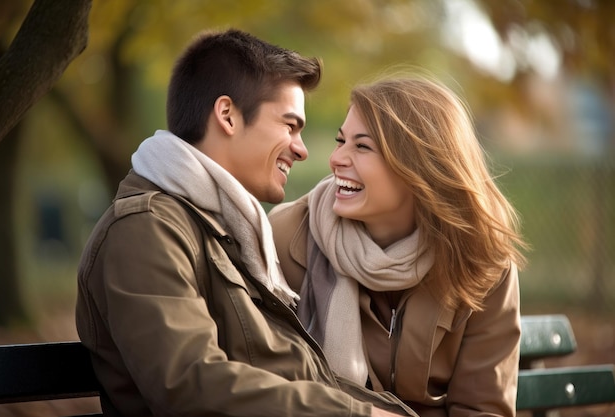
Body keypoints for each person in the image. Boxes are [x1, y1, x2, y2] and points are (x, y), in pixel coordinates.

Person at [75, 29, 416, 417]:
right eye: (290, 126)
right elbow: (190, 385)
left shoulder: (226, 230)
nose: (302, 150)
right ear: (227, 116)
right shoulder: (145, 229)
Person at [269, 75, 527, 416]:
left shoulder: (481, 261)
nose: (336, 159)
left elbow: (482, 408)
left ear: (419, 166)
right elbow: (266, 384)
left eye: (362, 146)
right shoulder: (287, 237)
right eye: (340, 140)